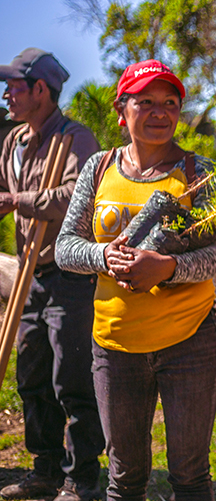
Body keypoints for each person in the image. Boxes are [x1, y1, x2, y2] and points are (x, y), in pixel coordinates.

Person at [55, 60, 216, 501]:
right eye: (146, 101)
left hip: (189, 341)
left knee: (190, 476)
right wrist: (103, 254)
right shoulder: (100, 167)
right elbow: (64, 247)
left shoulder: (197, 173)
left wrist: (167, 269)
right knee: (125, 478)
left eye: (170, 103)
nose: (159, 112)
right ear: (122, 110)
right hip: (115, 346)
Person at [0, 48, 104, 501]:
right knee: (32, 376)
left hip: (71, 277)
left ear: (40, 89)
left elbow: (77, 196)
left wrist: (18, 202)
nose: (6, 95)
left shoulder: (76, 138)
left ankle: (83, 480)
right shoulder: (13, 143)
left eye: (15, 87)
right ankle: (43, 471)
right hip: (30, 277)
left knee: (72, 380)